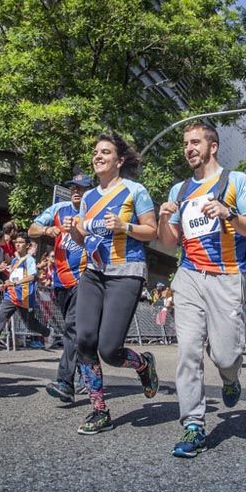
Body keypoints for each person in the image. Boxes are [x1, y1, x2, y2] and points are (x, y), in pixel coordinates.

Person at [157, 121, 246, 457]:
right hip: (188, 276)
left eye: (194, 143)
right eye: (185, 144)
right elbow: (168, 242)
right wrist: (163, 217)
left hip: (227, 276)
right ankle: (193, 425)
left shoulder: (236, 181)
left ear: (212, 146)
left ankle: (231, 378)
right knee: (188, 350)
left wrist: (228, 213)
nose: (188, 148)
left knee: (225, 355)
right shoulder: (179, 191)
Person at [64, 133, 159, 435]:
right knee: (85, 340)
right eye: (95, 152)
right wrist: (74, 231)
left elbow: (151, 231)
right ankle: (99, 410)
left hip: (126, 272)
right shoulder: (88, 197)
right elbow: (83, 238)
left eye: (105, 152)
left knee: (109, 349)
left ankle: (143, 365)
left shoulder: (135, 191)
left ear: (119, 161)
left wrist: (124, 226)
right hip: (93, 272)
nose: (98, 156)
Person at [30, 175, 91, 402]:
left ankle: (65, 382)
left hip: (84, 278)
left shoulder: (93, 209)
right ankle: (88, 374)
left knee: (71, 330)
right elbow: (32, 229)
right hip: (59, 281)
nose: (77, 191)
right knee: (78, 333)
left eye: (82, 188)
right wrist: (47, 231)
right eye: (74, 187)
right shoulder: (58, 209)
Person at [0, 233, 50, 355]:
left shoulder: (29, 260)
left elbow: (32, 276)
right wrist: (5, 284)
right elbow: (13, 278)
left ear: (27, 245)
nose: (18, 245)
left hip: (24, 297)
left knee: (31, 324)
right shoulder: (14, 260)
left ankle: (47, 332)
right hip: (11, 296)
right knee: (0, 318)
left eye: (21, 242)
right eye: (16, 242)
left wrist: (16, 283)